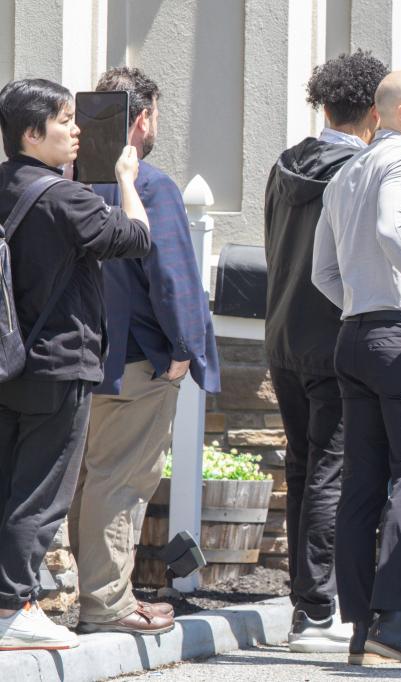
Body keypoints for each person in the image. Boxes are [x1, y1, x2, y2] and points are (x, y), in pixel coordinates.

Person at [311, 70, 401, 672]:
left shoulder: (345, 173)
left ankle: (365, 629)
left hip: (354, 335)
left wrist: (362, 306)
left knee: (363, 485)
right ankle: (397, 624)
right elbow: (395, 227)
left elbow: (324, 272)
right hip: (400, 334)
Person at [67, 66, 219, 637]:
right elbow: (173, 276)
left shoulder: (63, 182)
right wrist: (183, 350)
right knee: (121, 481)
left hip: (75, 357)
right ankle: (106, 603)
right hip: (137, 358)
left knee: (87, 480)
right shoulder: (149, 185)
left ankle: (86, 593)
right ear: (143, 117)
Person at [0, 78, 150, 651]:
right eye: (66, 120)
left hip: (9, 360)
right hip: (59, 363)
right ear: (33, 133)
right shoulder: (67, 197)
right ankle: (14, 605)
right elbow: (135, 237)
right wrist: (127, 180)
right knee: (40, 492)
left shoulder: (7, 187)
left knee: (10, 484)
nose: (78, 129)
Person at [264, 50, 389, 653]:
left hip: (284, 335)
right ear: (373, 109)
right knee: (331, 473)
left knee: (303, 470)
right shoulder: (362, 172)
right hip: (336, 335)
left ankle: (305, 605)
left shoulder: (285, 163)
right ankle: (316, 610)